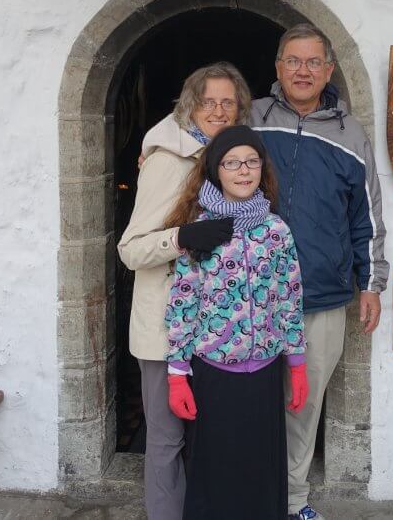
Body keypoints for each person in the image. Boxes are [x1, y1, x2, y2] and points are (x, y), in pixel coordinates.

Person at [251, 24, 388, 520]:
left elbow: (367, 216)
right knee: (248, 401)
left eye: (313, 62)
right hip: (252, 295)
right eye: (293, 61)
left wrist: (371, 284)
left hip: (323, 295)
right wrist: (155, 146)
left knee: (302, 407)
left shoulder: (350, 134)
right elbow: (200, 150)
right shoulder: (252, 118)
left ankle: (291, 503)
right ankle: (246, 497)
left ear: (329, 70)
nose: (302, 71)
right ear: (278, 68)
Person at [117, 62, 252, 520]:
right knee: (166, 439)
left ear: (239, 110)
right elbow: (130, 250)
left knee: (211, 439)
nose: (217, 110)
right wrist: (181, 239)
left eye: (227, 102)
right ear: (189, 106)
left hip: (218, 331)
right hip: (164, 332)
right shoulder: (166, 160)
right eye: (207, 101)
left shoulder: (233, 159)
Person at [163, 125, 309, 520]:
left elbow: (289, 299)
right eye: (231, 163)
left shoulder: (277, 231)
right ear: (216, 171)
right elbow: (183, 302)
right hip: (214, 374)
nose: (243, 171)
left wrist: (297, 365)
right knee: (218, 475)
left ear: (262, 168)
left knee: (259, 475)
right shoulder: (202, 231)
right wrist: (177, 373)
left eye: (251, 162)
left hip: (263, 372)